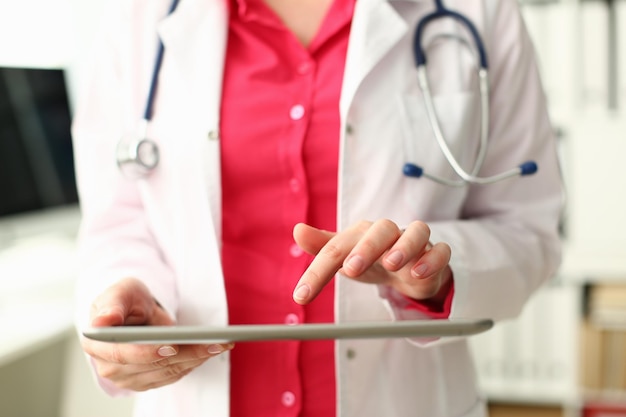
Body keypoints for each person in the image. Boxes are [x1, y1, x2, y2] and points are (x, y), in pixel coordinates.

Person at [71, 0, 563, 415]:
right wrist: (122, 305)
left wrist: (437, 272)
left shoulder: (479, 12)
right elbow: (116, 221)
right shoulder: (137, 18)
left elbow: (529, 228)